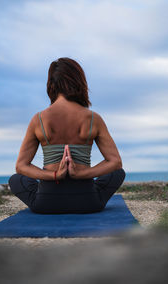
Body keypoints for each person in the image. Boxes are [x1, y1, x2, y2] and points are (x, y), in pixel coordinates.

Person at [8, 57, 126, 214]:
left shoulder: (39, 119)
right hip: (88, 202)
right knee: (118, 173)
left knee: (15, 179)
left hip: (46, 203)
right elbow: (115, 163)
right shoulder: (93, 118)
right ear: (79, 81)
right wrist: (82, 174)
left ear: (51, 84)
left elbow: (21, 166)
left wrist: (55, 175)